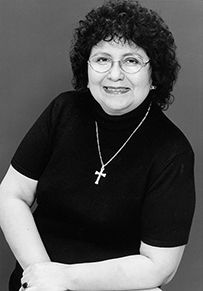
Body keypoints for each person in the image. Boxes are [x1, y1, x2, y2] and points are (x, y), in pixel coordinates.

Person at [0, 0, 195, 290]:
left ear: (154, 75)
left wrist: (65, 279)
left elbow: (159, 266)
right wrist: (41, 273)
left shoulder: (171, 150)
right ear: (87, 67)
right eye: (103, 59)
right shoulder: (64, 110)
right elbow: (11, 195)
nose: (114, 74)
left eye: (131, 60)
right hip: (36, 281)